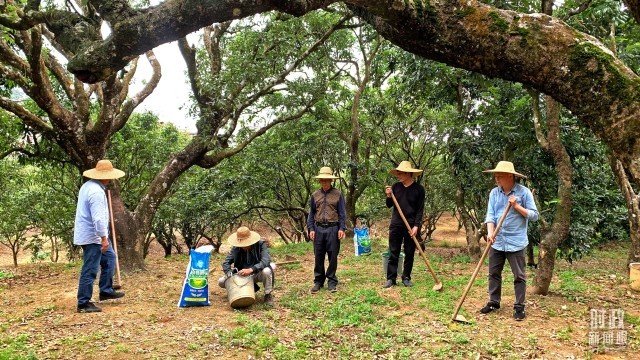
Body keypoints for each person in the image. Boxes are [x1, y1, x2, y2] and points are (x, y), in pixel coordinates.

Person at [480, 161, 539, 321]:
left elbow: (534, 216)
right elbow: (490, 215)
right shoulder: (494, 193)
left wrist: (516, 206)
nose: (496, 178)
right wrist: (490, 233)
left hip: (516, 242)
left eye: (500, 176)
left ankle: (519, 307)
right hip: (497, 241)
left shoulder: (524, 193)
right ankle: (494, 302)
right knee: (493, 273)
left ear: (511, 176)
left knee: (519, 275)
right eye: (496, 175)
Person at [75, 160, 126, 313]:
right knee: (90, 268)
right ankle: (83, 303)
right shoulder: (96, 192)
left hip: (93, 234)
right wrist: (103, 238)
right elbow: (98, 218)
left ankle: (105, 290)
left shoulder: (89, 186)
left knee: (110, 258)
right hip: (93, 236)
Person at [384, 161, 425, 288]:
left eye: (400, 173)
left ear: (408, 174)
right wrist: (389, 196)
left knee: (409, 252)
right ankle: (391, 278)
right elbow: (389, 205)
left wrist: (416, 226)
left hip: (410, 226)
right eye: (398, 173)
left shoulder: (419, 189)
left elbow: (420, 209)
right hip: (396, 224)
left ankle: (406, 277)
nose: (398, 175)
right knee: (394, 251)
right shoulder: (396, 187)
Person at [307, 167, 347, 293]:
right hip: (318, 229)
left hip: (333, 229)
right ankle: (318, 281)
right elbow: (311, 213)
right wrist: (311, 229)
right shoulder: (315, 195)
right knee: (318, 256)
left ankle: (331, 281)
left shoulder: (338, 194)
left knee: (332, 256)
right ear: (320, 181)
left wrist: (341, 228)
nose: (324, 183)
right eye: (322, 180)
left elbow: (342, 213)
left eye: (327, 180)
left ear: (331, 181)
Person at [218, 226, 275, 306]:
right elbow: (226, 263)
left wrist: (251, 269)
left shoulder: (261, 245)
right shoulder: (236, 248)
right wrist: (229, 273)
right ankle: (250, 288)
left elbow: (266, 260)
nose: (244, 246)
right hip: (242, 275)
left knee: (267, 271)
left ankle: (268, 294)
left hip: (257, 272)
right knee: (221, 282)